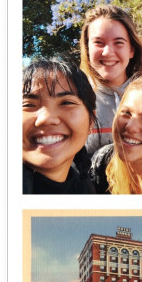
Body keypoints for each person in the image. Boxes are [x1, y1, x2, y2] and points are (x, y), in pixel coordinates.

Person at [80, 4, 142, 155]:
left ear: (131, 50)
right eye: (98, 42)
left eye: (118, 42)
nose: (108, 52)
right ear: (87, 49)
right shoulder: (75, 98)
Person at [22, 56, 98, 194]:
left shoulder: (86, 190)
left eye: (66, 103)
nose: (46, 118)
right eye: (28, 105)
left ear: (91, 121)